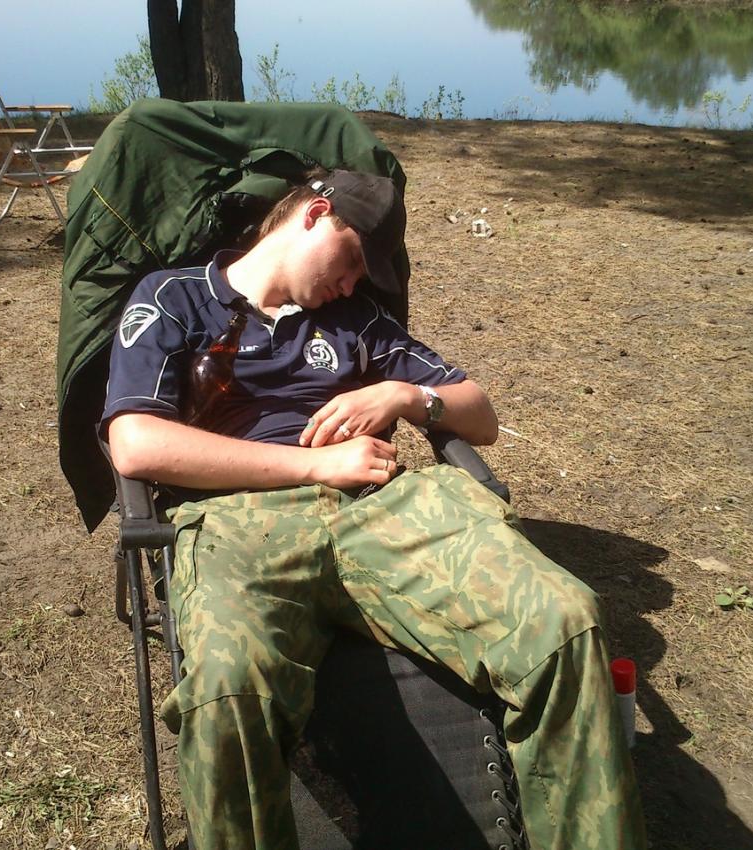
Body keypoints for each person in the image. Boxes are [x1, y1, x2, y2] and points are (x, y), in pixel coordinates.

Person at [102, 169, 646, 850]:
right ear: (314, 215)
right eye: (355, 259)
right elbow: (137, 442)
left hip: (380, 509)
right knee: (227, 690)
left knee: (563, 622)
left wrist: (405, 396)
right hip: (236, 523)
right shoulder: (175, 297)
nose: (353, 283)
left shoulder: (356, 321)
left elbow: (481, 417)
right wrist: (316, 465)